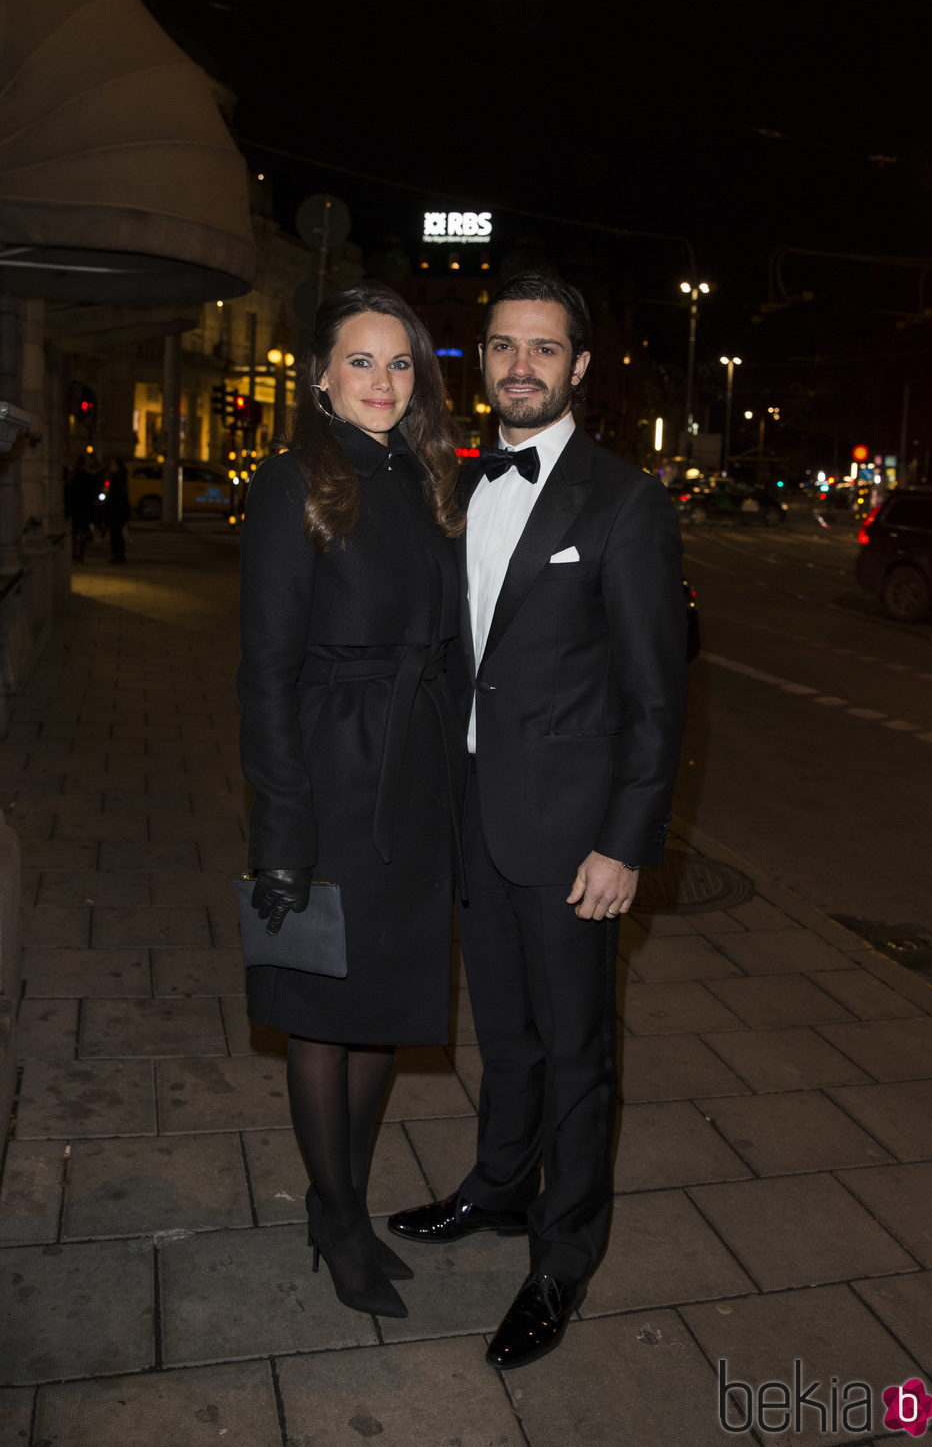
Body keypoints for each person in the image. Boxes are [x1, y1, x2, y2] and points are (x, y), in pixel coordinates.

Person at [388, 273, 689, 1367]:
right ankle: (498, 1188)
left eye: (544, 349)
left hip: (572, 838)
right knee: (503, 1035)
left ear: (578, 367)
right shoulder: (460, 486)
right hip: (475, 817)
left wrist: (625, 843)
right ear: (483, 359)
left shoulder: (623, 502)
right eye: (504, 347)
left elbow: (658, 698)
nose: (521, 366)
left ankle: (562, 1258)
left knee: (574, 1054)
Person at [237, 283, 466, 1320]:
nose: (382, 381)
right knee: (325, 1014)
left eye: (400, 363)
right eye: (361, 361)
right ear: (321, 375)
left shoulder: (424, 482)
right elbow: (265, 669)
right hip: (332, 781)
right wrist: (281, 825)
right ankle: (335, 1221)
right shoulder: (294, 482)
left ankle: (348, 1204)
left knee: (384, 1010)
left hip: (413, 779)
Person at [105, 458, 131, 563]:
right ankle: (119, 555)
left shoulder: (117, 478)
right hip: (119, 511)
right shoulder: (120, 478)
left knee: (116, 535)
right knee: (118, 535)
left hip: (117, 511)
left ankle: (118, 556)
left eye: (113, 465)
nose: (111, 467)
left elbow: (116, 496)